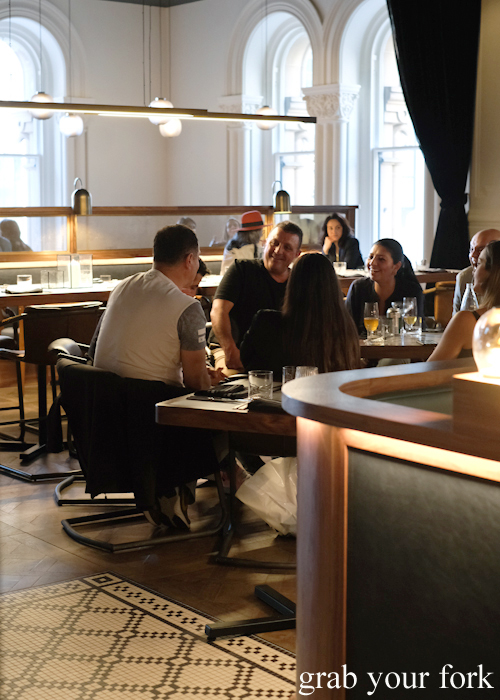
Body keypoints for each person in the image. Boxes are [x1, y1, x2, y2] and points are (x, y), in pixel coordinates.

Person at [94, 224, 223, 390]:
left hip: (102, 402)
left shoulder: (122, 287)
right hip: (153, 406)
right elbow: (197, 384)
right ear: (189, 260)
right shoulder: (187, 307)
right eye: (198, 258)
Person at [240, 252, 360, 377]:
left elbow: (247, 362)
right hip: (330, 395)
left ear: (293, 283)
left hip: (275, 394)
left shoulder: (266, 323)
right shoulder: (346, 328)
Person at [210, 220, 302, 372]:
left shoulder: (298, 283)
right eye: (275, 243)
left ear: (296, 254)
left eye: (287, 247)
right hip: (231, 348)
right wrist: (230, 350)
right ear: (265, 243)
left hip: (274, 356)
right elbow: (218, 310)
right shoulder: (242, 269)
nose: (278, 251)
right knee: (234, 386)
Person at [428, 240, 500, 361]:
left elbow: (429, 372)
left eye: (478, 264)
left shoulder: (466, 321)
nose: (473, 270)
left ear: (492, 273)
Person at [346, 238, 423, 336]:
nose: (372, 263)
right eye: (371, 257)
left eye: (381, 259)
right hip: (362, 349)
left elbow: (416, 330)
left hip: (399, 349)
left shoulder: (412, 291)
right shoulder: (358, 288)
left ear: (396, 267)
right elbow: (346, 329)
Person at [453, 228, 500, 313]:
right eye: (471, 249)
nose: (473, 255)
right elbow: (456, 316)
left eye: (480, 250)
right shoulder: (464, 277)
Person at [220, 210, 265, 275]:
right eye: (261, 231)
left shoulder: (232, 245)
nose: (261, 235)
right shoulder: (240, 249)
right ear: (255, 233)